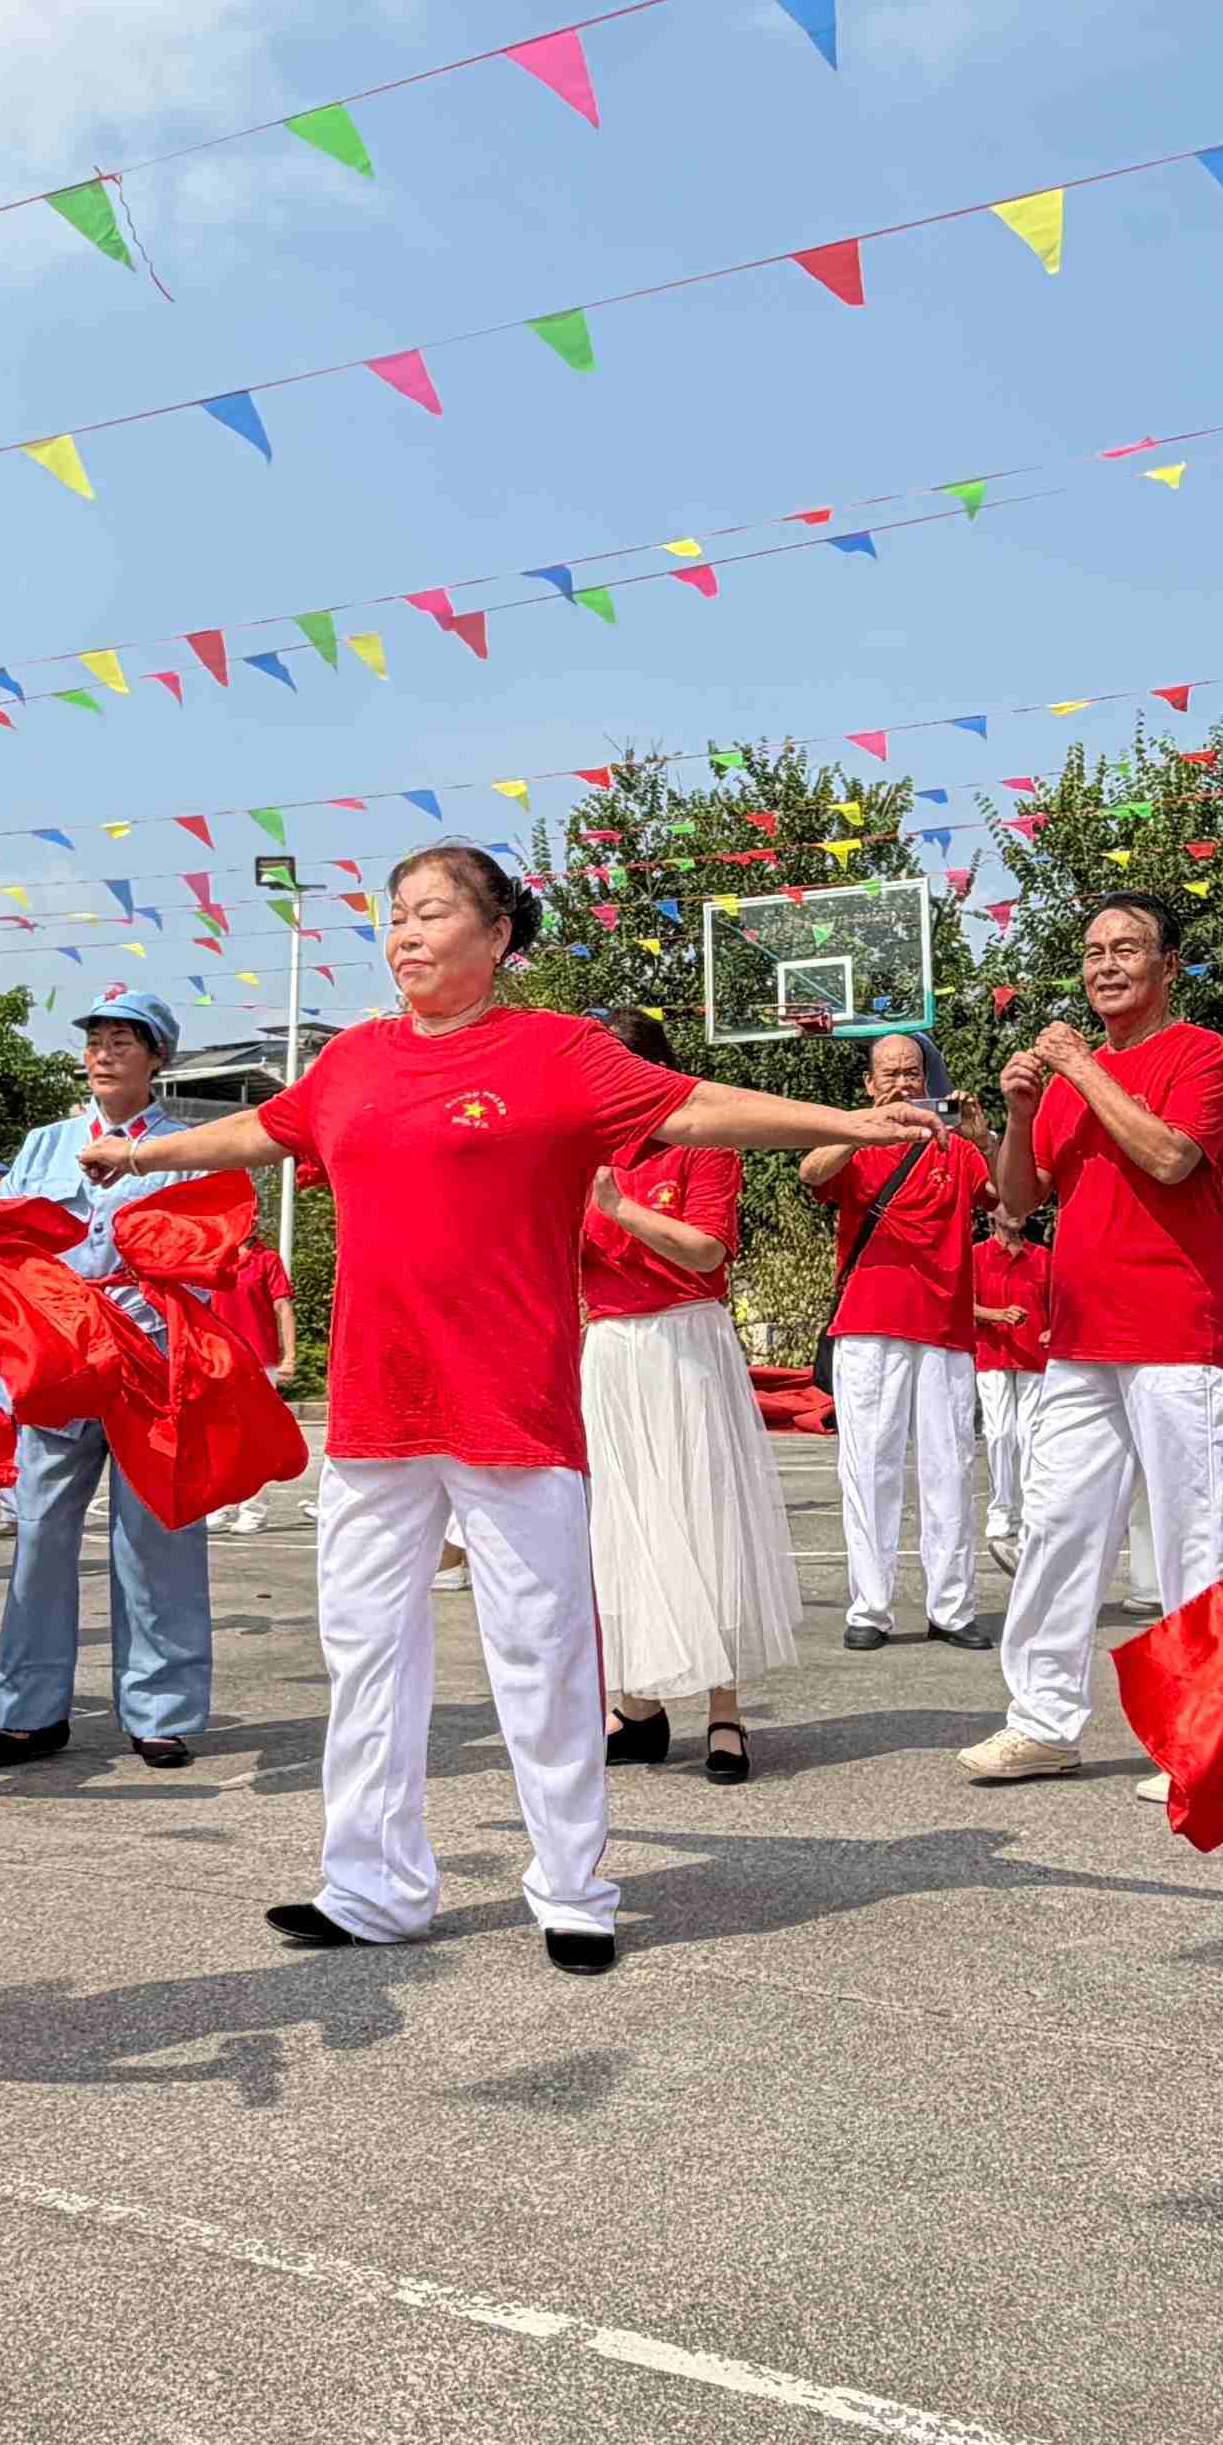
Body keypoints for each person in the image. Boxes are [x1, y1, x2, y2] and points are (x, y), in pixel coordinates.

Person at [79, 844, 938, 1973]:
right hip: (377, 1411)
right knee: (366, 1651)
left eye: (433, 912)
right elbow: (263, 1132)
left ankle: (572, 1886)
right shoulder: (351, 1061)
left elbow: (694, 1110)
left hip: (511, 1404)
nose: (406, 932)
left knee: (538, 1649)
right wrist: (142, 1155)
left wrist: (850, 1120)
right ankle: (371, 1885)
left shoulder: (557, 1053)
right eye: (394, 914)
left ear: (497, 938)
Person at [970, 897, 1223, 1796]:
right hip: (1082, 1338)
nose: (1106, 966)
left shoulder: (1199, 1053)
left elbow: (1171, 1159)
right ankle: (1043, 1721)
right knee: (1057, 1526)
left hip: (1177, 1332)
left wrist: (1082, 1069)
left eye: (1127, 948)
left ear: (1168, 961)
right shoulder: (1062, 1084)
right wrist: (1019, 1114)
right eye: (1093, 952)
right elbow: (1017, 1201)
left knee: (1193, 1536)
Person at [0, 995, 215, 1769]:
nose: (105, 1054)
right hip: (61, 1355)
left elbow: (214, 1250)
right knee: (40, 1529)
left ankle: (160, 1710)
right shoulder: (46, 1142)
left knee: (157, 1535)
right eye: (95, 1041)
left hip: (153, 1355)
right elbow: (8, 1243)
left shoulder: (188, 1146)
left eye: (124, 1042)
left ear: (157, 1057)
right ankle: (30, 1708)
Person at [578, 1007, 800, 1785]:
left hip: (687, 1340)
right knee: (623, 1520)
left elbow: (706, 1247)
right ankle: (635, 1703)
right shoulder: (575, 1154)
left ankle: (724, 1710)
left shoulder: (701, 1143)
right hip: (610, 1348)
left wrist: (620, 1209)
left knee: (707, 1516)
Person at [804, 1029, 991, 1654]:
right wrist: (864, 1126)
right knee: (870, 1469)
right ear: (868, 1084)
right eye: (888, 1073)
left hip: (945, 1327)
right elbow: (811, 1171)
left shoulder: (958, 1153)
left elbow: (1007, 1198)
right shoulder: (856, 1145)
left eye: (910, 1072)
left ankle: (952, 1606)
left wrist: (980, 1134)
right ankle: (871, 1607)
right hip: (868, 1324)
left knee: (950, 1469)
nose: (901, 1083)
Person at [201, 1230, 300, 1535]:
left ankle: (254, 1510)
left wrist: (289, 1357)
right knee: (222, 1438)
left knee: (255, 1437)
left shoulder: (267, 1260)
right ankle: (223, 1505)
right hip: (220, 1360)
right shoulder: (215, 1259)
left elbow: (283, 1308)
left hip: (259, 1360)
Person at [970, 1199, 1047, 1563]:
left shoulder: (1043, 1258)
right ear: (990, 1213)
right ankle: (1002, 1510)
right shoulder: (977, 1256)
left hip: (1035, 1357)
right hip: (993, 1355)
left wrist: (1052, 1330)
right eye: (1006, 1205)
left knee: (1030, 1434)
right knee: (1000, 1433)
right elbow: (961, 1303)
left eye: (1021, 1205)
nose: (1016, 1211)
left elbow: (1061, 1304)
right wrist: (996, 1314)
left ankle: (1031, 1511)